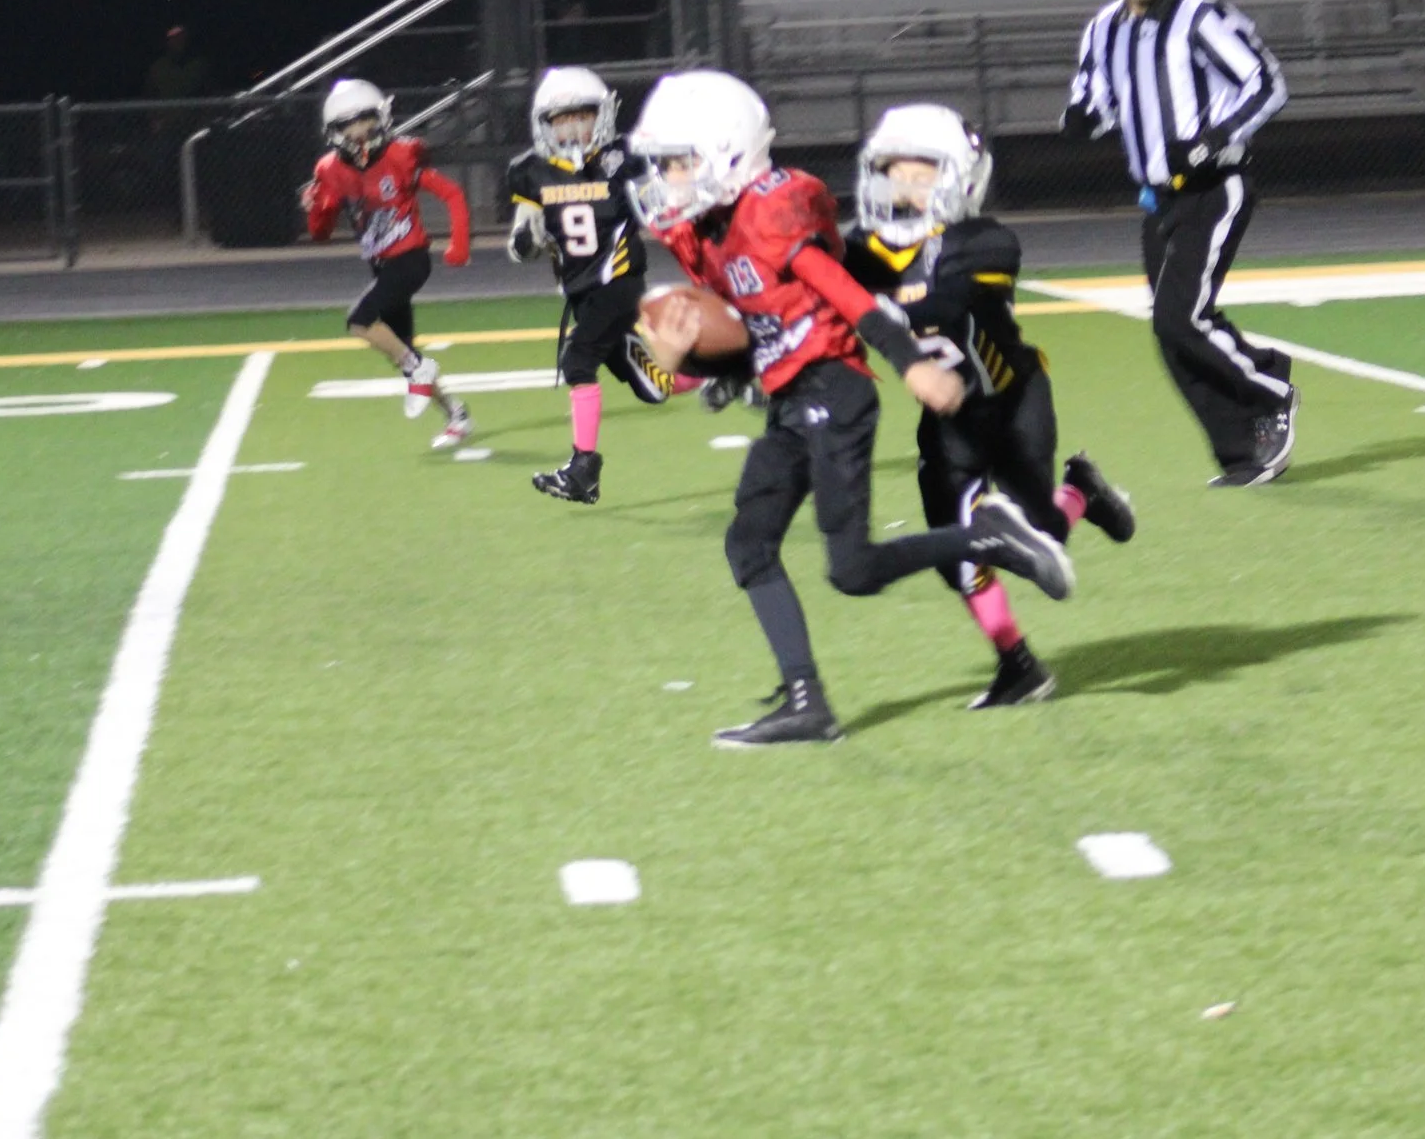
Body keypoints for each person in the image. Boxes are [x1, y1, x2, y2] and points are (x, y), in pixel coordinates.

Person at [630, 69, 1074, 748]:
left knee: (852, 570)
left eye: (680, 162)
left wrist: (909, 362)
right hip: (790, 393)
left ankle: (987, 538)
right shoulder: (702, 232)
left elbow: (843, 292)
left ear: (726, 152)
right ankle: (807, 700)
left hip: (834, 389)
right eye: (664, 164)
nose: (669, 178)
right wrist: (688, 362)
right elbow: (752, 327)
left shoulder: (769, 210)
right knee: (749, 541)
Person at [843, 104, 1137, 709]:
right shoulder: (861, 250)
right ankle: (1017, 665)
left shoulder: (983, 240)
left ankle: (1082, 490)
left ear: (959, 179)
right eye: (893, 173)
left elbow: (946, 303)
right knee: (958, 549)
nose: (904, 186)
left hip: (1013, 400)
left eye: (921, 174)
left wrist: (871, 311)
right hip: (949, 418)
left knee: (1042, 534)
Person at [1064, 0, 1298, 487]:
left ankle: (1271, 386)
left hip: (1217, 186)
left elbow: (1267, 82)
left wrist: (1214, 140)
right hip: (1157, 198)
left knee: (1180, 317)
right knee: (1172, 334)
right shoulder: (1103, 29)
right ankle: (1242, 452)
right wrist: (1077, 118)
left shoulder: (1201, 17)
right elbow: (1094, 99)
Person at [504, 66, 672, 504]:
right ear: (545, 125)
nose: (573, 129)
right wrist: (526, 243)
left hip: (618, 280)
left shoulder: (623, 159)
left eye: (582, 117)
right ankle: (723, 372)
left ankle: (583, 471)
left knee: (577, 362)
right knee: (651, 384)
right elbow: (522, 240)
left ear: (602, 116)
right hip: (581, 291)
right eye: (561, 120)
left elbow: (663, 207)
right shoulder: (532, 172)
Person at [302, 78, 475, 449]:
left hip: (410, 259)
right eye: (349, 126)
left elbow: (452, 193)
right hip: (381, 264)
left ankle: (418, 369)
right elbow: (320, 231)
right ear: (334, 131)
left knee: (359, 321)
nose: (359, 133)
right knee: (404, 350)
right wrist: (317, 206)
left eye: (365, 121)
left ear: (381, 118)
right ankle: (456, 413)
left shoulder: (400, 155)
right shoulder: (330, 169)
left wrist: (458, 243)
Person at [144, 25, 215, 100]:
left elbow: (210, 94)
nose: (178, 43)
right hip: (166, 110)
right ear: (167, 42)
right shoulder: (157, 69)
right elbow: (148, 97)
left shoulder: (200, 67)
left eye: (181, 39)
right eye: (174, 39)